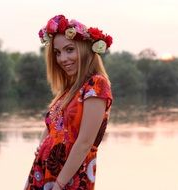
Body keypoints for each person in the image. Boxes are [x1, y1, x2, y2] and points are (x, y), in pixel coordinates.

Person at [24, 14, 113, 190]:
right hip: (44, 172)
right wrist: (41, 149)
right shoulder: (68, 90)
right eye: (58, 53)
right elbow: (51, 128)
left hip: (69, 178)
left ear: (85, 49)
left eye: (69, 50)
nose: (62, 58)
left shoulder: (96, 85)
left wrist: (58, 185)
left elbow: (85, 143)